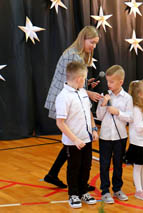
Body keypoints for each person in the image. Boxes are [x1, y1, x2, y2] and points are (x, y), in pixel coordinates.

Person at [44, 26, 102, 189]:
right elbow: (70, 83)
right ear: (83, 38)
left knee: (72, 140)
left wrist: (86, 84)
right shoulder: (72, 55)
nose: (93, 47)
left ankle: (53, 174)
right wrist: (88, 92)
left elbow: (76, 81)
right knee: (73, 139)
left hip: (71, 96)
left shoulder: (77, 54)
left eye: (96, 44)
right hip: (64, 99)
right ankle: (74, 183)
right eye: (92, 42)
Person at [55, 61, 98, 208]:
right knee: (74, 167)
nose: (85, 81)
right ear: (79, 78)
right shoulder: (63, 97)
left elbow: (89, 113)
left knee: (86, 166)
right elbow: (60, 122)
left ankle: (83, 191)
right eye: (84, 78)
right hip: (73, 142)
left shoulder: (83, 92)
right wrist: (75, 139)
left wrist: (93, 129)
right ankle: (73, 194)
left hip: (87, 139)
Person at [96, 65, 133, 204]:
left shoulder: (127, 98)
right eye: (107, 81)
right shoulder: (104, 96)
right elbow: (99, 117)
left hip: (120, 137)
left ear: (120, 82)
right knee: (104, 164)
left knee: (118, 164)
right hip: (105, 137)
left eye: (111, 82)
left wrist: (117, 112)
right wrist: (103, 104)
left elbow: (130, 117)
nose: (108, 84)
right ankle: (105, 191)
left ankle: (117, 189)